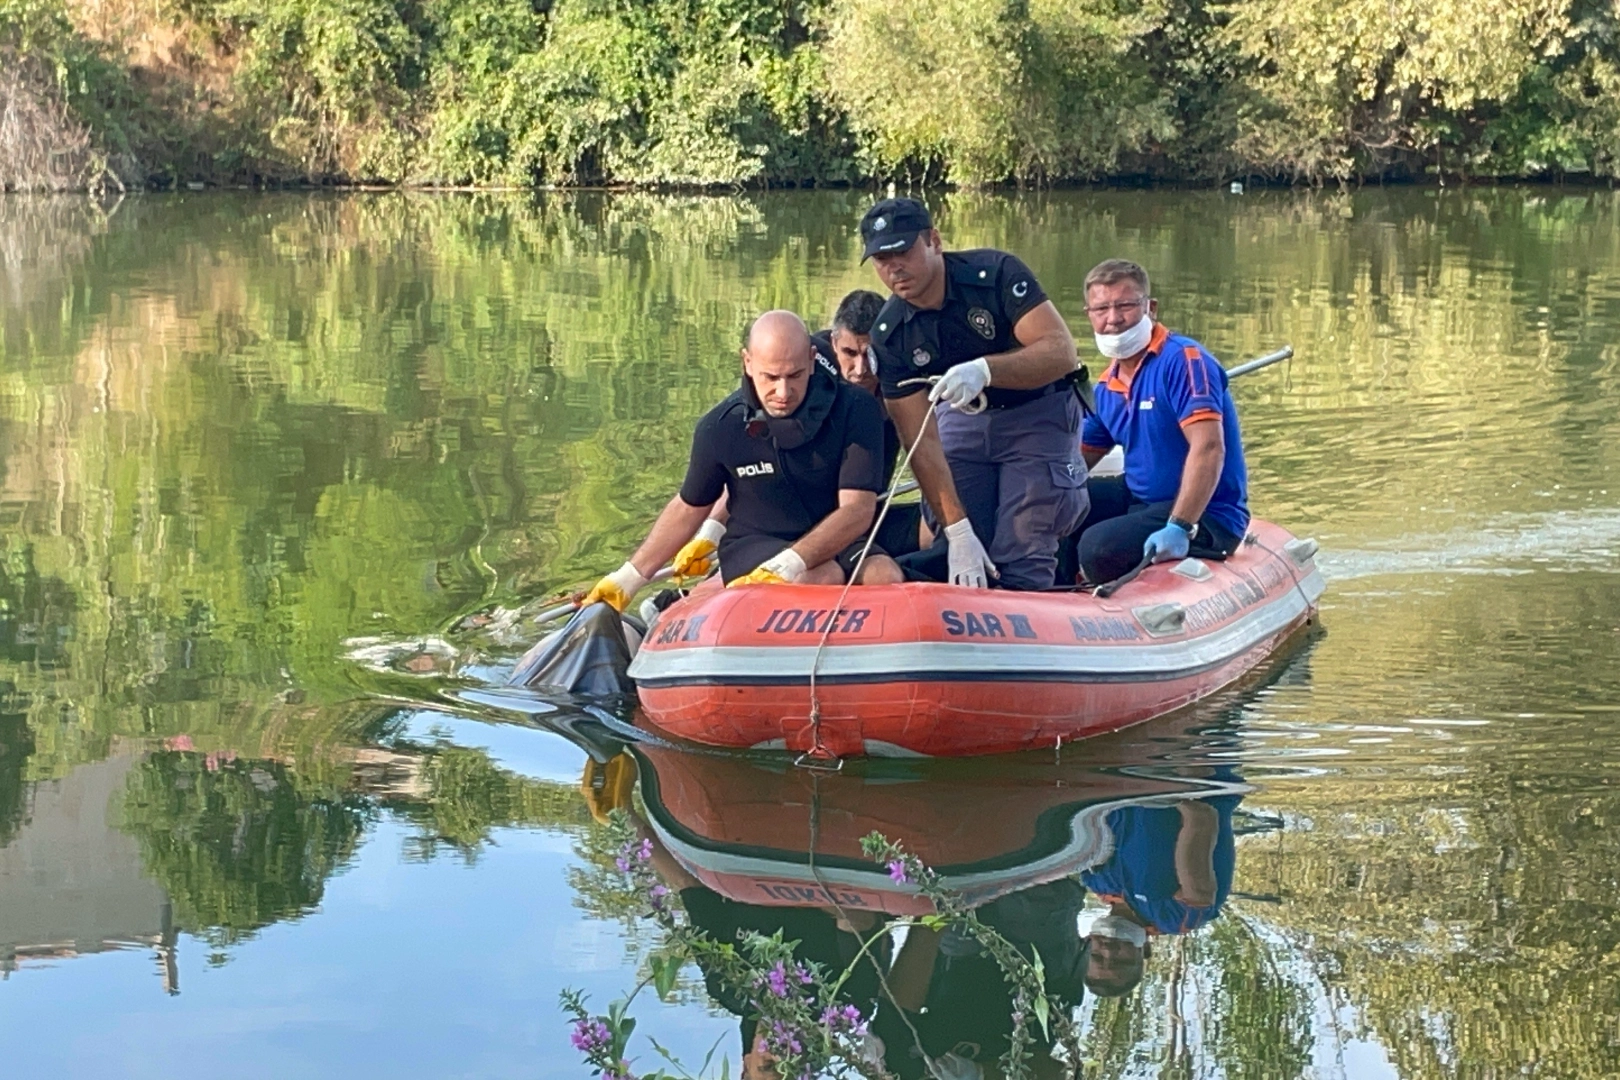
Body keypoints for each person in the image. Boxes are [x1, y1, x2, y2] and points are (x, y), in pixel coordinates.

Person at [582, 311, 903, 612]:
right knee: (824, 577)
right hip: (755, 541)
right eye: (770, 376)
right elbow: (687, 507)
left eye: (795, 375)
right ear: (748, 363)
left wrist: (788, 564)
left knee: (885, 575)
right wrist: (628, 578)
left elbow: (857, 509)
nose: (783, 391)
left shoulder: (856, 408)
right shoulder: (721, 426)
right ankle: (686, 608)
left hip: (833, 534)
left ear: (812, 359)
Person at [861, 198, 1088, 591]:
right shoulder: (890, 335)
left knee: (1022, 545)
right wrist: (958, 530)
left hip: (1037, 411)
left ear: (933, 240)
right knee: (956, 543)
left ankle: (1034, 611)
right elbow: (919, 440)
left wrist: (987, 369)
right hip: (961, 419)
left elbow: (1060, 352)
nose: (893, 267)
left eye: (902, 251)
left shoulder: (995, 274)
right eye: (881, 259)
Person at [1073, 259, 1250, 585]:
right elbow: (1077, 458)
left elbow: (1209, 447)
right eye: (1101, 309)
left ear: (1150, 308)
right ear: (1089, 315)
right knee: (1059, 508)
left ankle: (1107, 600)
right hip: (1142, 500)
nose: (1113, 319)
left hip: (1208, 514)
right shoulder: (1107, 385)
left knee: (1098, 548)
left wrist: (1180, 525)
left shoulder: (1184, 361)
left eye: (1125, 305)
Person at [1079, 785, 1240, 998]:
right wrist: (1163, 787)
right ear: (1144, 950)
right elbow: (1202, 817)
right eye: (1121, 960)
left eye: (1098, 956)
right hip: (1190, 775)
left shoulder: (1094, 880)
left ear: (1086, 942)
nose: (1108, 950)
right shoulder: (1177, 916)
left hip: (1124, 771)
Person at [811, 288, 930, 558]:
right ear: (833, 343)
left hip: (870, 513)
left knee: (938, 527)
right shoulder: (808, 369)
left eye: (870, 354)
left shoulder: (904, 374)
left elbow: (928, 449)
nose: (861, 369)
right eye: (849, 353)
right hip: (817, 518)